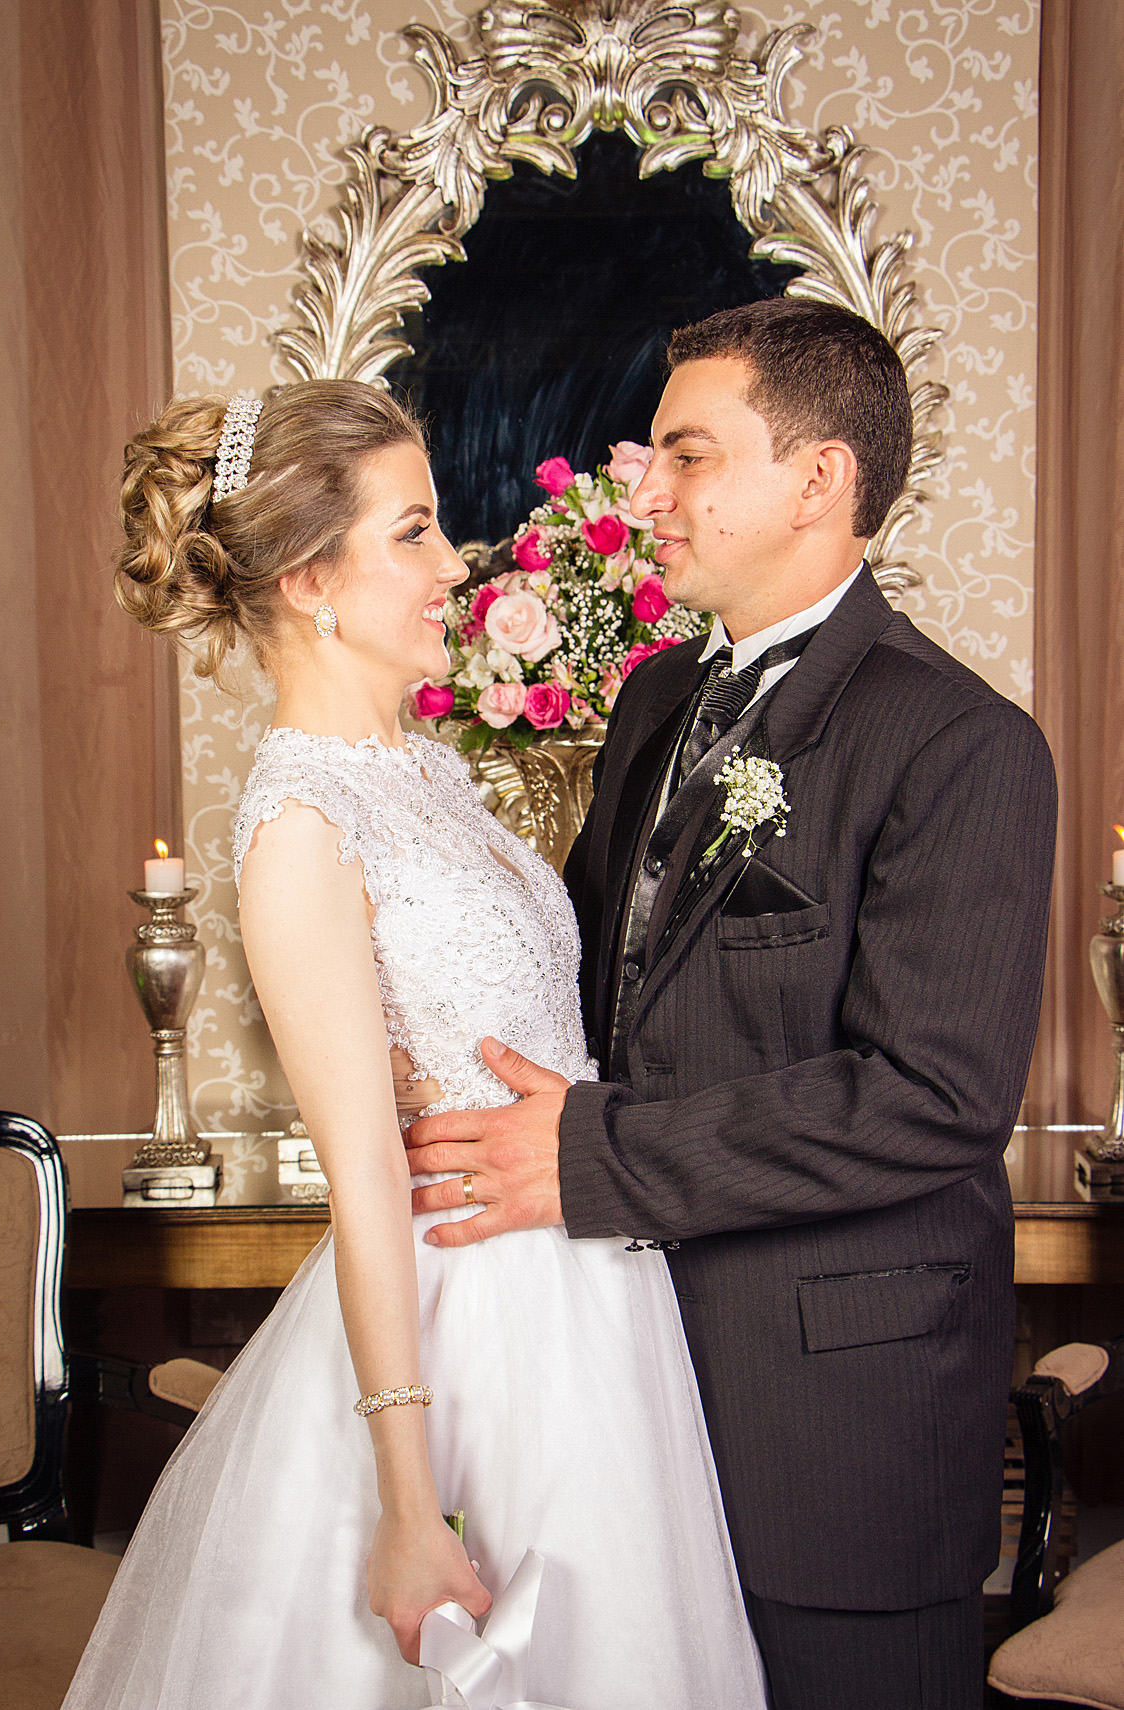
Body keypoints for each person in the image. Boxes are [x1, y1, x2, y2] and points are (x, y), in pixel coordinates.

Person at [62, 379, 766, 1709]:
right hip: (469, 1328)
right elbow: (366, 1178)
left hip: (593, 1299)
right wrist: (406, 1497)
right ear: (313, 577)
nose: (459, 562)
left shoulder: (435, 774)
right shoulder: (300, 825)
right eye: (417, 531)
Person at [403, 300, 1058, 1710]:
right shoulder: (654, 699)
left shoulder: (964, 745)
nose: (646, 488)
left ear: (819, 480)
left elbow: (931, 1099)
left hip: (837, 1431)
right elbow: (590, 986)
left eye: (689, 454)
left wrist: (587, 1155)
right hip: (626, 1388)